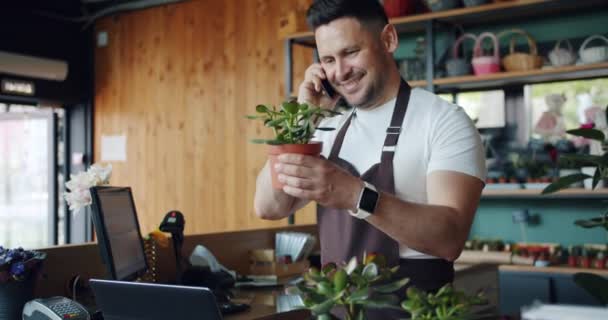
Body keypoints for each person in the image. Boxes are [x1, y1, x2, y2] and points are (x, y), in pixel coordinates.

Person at [254, 0, 485, 315]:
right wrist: (304, 118)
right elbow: (269, 206)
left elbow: (450, 237)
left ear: (388, 39)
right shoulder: (326, 127)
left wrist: (353, 194)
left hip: (415, 311)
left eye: (350, 53)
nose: (340, 71)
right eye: (328, 60)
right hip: (338, 311)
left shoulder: (442, 120)